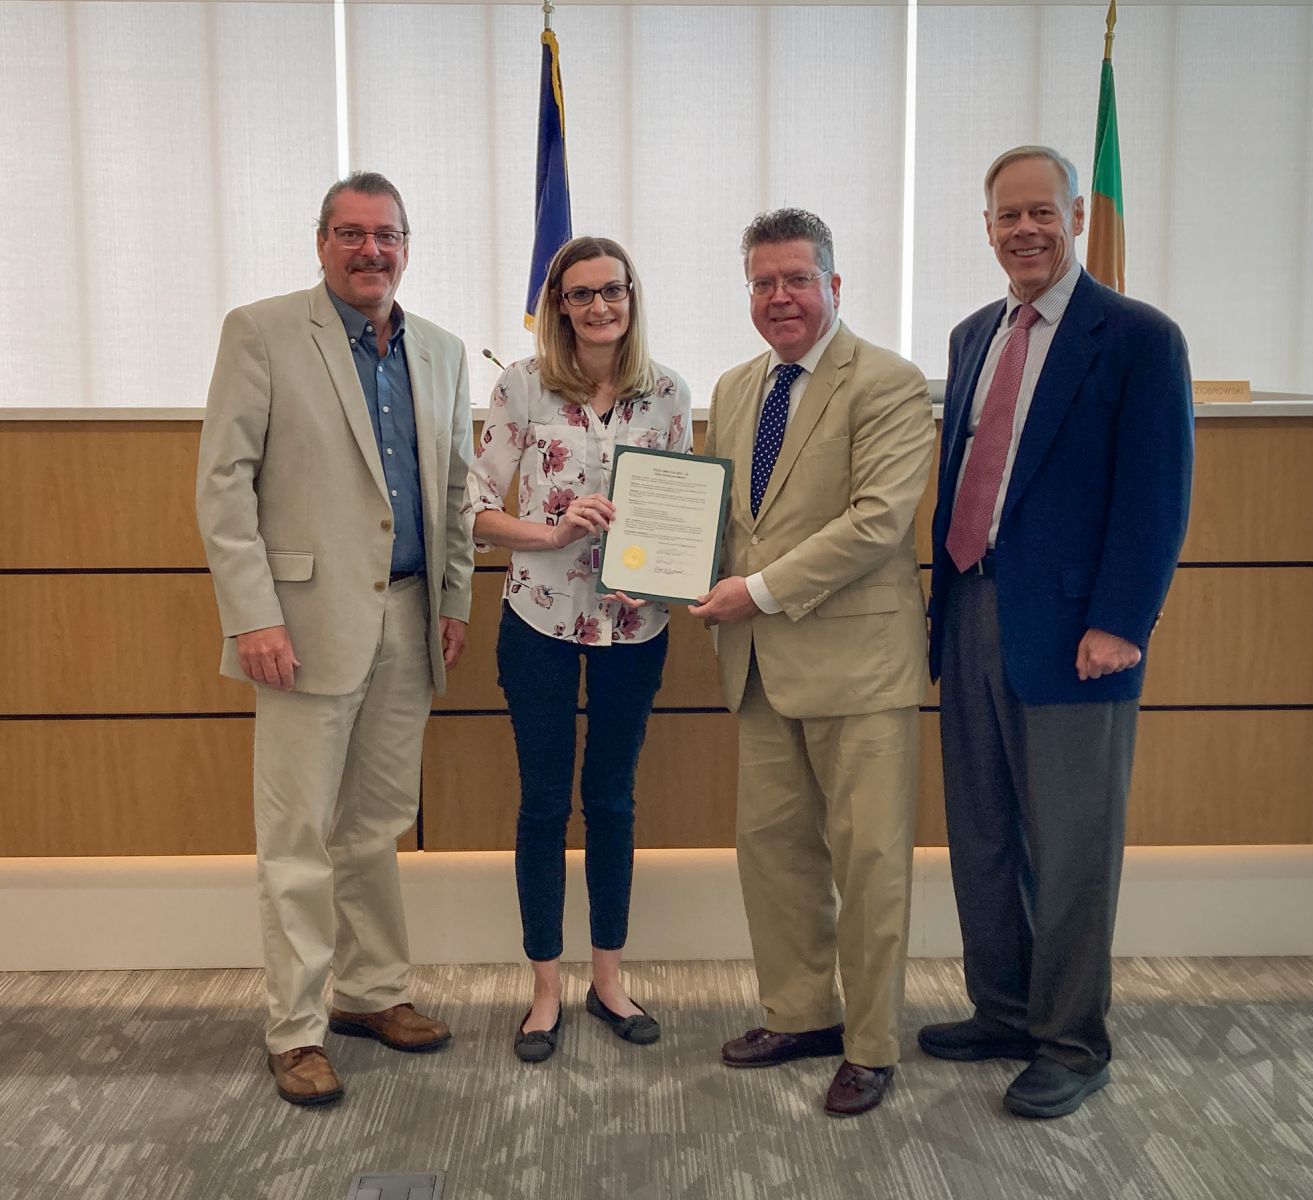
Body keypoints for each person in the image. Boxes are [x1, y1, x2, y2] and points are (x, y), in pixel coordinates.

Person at [920, 145, 1193, 1118]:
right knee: (983, 832)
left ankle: (1072, 1041)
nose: (1025, 230)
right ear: (987, 227)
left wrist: (1123, 621)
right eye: (1007, 216)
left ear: (1076, 217)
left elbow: (1157, 493)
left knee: (1073, 846)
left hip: (1082, 634)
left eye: (1043, 212)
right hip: (970, 609)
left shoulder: (1136, 338)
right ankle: (1002, 1007)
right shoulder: (969, 336)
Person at [196, 171, 475, 1106]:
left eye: (387, 234)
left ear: (407, 244)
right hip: (302, 626)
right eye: (351, 234)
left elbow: (456, 491)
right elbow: (224, 487)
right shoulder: (264, 332)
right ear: (322, 243)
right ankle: (296, 1029)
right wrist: (254, 614)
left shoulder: (437, 351)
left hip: (408, 616)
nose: (371, 250)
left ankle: (372, 994)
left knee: (375, 827)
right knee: (298, 838)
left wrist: (455, 600)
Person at [690, 209, 934, 1117]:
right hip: (757, 666)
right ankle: (800, 1012)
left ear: (836, 285)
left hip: (858, 665)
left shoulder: (889, 382)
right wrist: (655, 570)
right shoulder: (737, 385)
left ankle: (871, 1043)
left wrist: (751, 592)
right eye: (763, 282)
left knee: (867, 860)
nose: (779, 297)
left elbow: (876, 523)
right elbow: (725, 521)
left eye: (797, 279)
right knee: (774, 853)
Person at [466, 236, 692, 1063]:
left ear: (633, 296)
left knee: (615, 801)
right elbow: (478, 509)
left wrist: (660, 575)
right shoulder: (521, 387)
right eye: (581, 294)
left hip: (635, 627)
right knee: (541, 803)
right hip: (539, 620)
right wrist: (554, 531)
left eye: (613, 291)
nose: (599, 307)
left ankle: (607, 979)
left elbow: (677, 510)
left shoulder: (667, 391)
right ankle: (544, 990)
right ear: (559, 304)